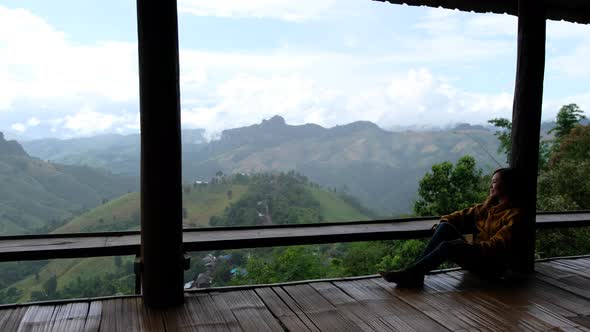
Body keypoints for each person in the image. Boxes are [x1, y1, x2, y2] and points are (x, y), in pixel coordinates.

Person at [380, 168, 524, 287]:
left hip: (491, 266)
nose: (490, 186)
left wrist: (470, 247)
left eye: (494, 182)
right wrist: (442, 224)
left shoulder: (514, 215)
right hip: (476, 257)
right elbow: (457, 216)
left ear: (506, 185)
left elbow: (497, 245)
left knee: (450, 246)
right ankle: (415, 275)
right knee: (445, 227)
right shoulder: (486, 208)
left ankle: (411, 274)